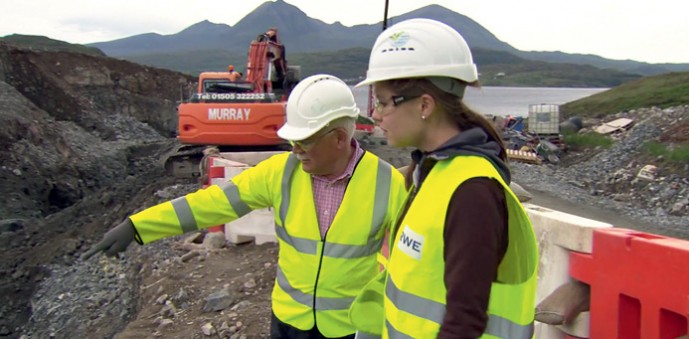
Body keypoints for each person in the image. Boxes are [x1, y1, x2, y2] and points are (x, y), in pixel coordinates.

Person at [82, 74, 408, 339]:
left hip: (348, 330)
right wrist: (138, 227)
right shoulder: (279, 173)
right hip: (288, 323)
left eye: (304, 140)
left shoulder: (387, 184)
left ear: (339, 138)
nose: (295, 149)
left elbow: (405, 268)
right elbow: (210, 205)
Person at [350, 19, 539, 338]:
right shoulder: (433, 171)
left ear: (424, 104)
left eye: (382, 102)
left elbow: (465, 322)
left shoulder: (472, 191)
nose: (376, 115)